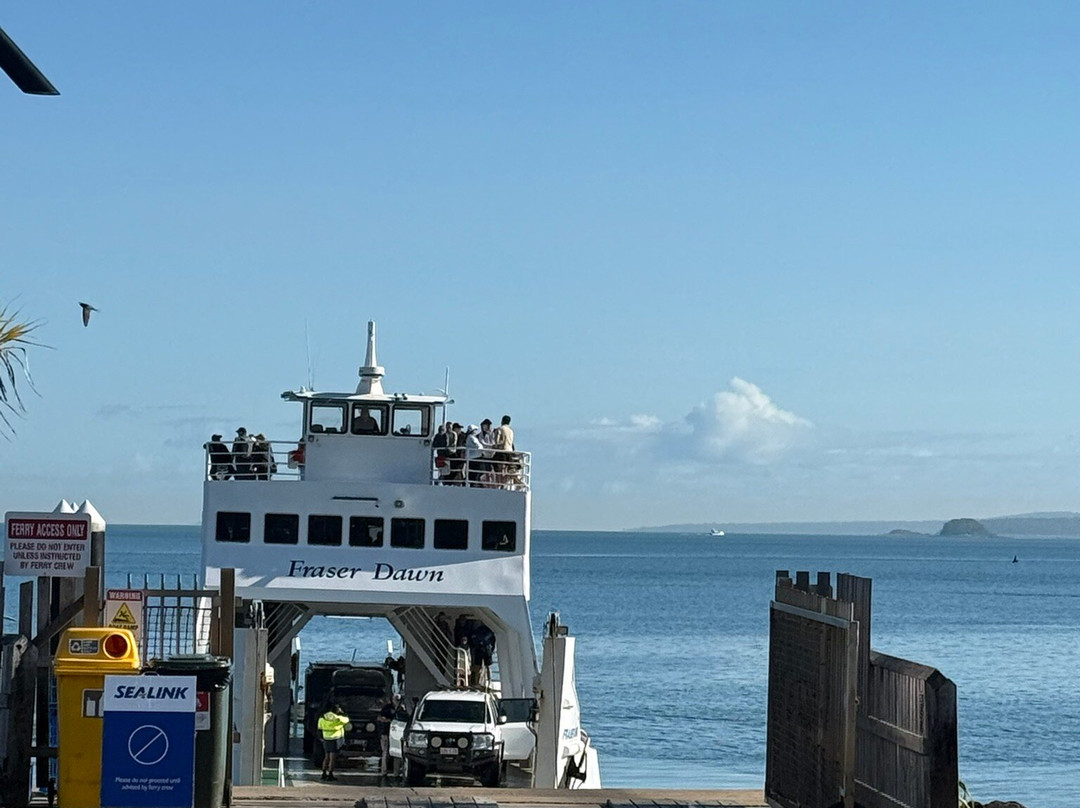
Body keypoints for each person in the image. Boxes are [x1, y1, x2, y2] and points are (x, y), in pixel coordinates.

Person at [317, 704, 351, 780]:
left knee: (326, 757)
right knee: (332, 758)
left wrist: (321, 738)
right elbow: (347, 719)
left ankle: (323, 773)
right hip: (335, 739)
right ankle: (330, 774)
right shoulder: (338, 719)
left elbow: (319, 728)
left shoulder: (322, 718)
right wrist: (342, 713)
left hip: (326, 739)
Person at [376, 693, 399, 777]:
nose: (397, 701)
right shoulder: (387, 708)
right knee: (385, 752)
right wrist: (388, 721)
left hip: (397, 734)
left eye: (398, 700)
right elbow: (379, 718)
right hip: (386, 733)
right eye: (395, 699)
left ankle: (396, 773)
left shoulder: (402, 709)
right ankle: (384, 772)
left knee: (397, 753)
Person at [493, 415, 515, 487]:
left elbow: (497, 442)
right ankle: (504, 484)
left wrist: (494, 446)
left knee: (498, 469)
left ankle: (499, 483)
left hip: (501, 451)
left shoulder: (500, 429)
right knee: (506, 470)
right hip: (509, 452)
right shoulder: (511, 431)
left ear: (502, 421)